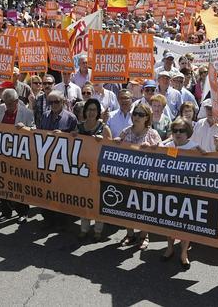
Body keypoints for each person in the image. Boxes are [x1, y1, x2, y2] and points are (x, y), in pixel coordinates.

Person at [160, 119, 204, 270]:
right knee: (169, 221)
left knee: (185, 224)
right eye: (175, 130)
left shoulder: (195, 148)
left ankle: (184, 253)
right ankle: (170, 248)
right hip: (169, 191)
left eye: (181, 131)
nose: (178, 134)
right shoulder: (166, 146)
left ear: (188, 133)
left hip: (188, 193)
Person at [116, 103, 162, 250]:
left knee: (144, 207)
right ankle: (129, 234)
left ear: (147, 117)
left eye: (141, 114)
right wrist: (115, 141)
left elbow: (162, 154)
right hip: (127, 176)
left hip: (146, 178)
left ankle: (144, 235)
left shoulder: (153, 134)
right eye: (135, 113)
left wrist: (152, 148)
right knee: (126, 206)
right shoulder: (125, 131)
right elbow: (115, 148)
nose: (136, 116)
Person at [39, 90, 78, 227]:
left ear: (62, 102)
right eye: (51, 102)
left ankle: (62, 220)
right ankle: (47, 218)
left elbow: (76, 139)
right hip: (46, 160)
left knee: (62, 191)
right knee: (47, 191)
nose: (53, 105)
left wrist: (63, 135)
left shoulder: (71, 118)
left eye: (56, 102)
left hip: (63, 161)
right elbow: (39, 134)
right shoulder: (44, 115)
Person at [0, 89, 35, 221]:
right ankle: (6, 212)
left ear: (17, 101)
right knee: (3, 184)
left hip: (20, 154)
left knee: (19, 184)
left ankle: (22, 212)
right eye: (6, 103)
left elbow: (34, 131)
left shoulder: (27, 113)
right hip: (3, 153)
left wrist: (25, 128)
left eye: (10, 104)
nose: (7, 106)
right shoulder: (1, 108)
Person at [76, 99, 112, 241]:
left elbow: (110, 148)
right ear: (85, 111)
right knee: (84, 199)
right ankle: (84, 228)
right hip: (83, 170)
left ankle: (98, 229)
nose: (91, 112)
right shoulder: (79, 127)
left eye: (94, 110)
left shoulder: (104, 128)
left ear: (98, 113)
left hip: (98, 171)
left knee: (97, 201)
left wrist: (102, 142)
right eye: (89, 109)